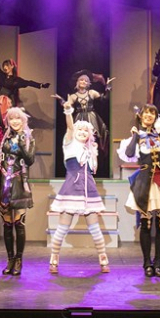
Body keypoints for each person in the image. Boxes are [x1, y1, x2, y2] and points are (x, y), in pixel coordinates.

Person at [118, 79, 160, 277]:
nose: (149, 115)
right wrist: (134, 135)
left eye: (153, 113)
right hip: (145, 184)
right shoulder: (136, 136)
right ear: (141, 116)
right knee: (146, 224)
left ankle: (158, 263)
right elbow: (129, 154)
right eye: (146, 113)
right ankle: (147, 263)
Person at [48, 101, 110, 274]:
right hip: (71, 189)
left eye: (86, 130)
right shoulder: (69, 143)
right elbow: (69, 127)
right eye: (80, 130)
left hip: (88, 190)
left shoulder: (90, 150)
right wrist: (68, 111)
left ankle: (103, 258)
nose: (82, 132)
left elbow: (92, 170)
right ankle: (54, 258)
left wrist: (93, 151)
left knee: (95, 228)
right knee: (62, 227)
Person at [0, 107, 36, 275]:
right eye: (11, 119)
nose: (15, 121)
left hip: (19, 184)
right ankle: (10, 259)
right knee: (6, 224)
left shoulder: (28, 138)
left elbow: (30, 160)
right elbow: (1, 162)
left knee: (19, 224)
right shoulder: (6, 137)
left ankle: (19, 260)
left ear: (23, 120)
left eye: (18, 118)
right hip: (4, 183)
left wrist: (21, 143)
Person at [0, 45, 49, 149]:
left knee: (4, 127)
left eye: (7, 65)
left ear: (12, 66)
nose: (5, 67)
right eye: (4, 65)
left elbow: (28, 82)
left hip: (6, 106)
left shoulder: (16, 80)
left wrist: (41, 85)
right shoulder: (1, 75)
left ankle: (5, 148)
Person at [64, 69, 113, 152]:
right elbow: (68, 108)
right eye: (81, 80)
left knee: (93, 136)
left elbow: (104, 99)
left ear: (88, 83)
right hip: (79, 118)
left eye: (86, 81)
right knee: (78, 136)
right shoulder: (73, 96)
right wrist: (65, 104)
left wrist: (108, 87)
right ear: (77, 82)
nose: (83, 82)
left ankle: (93, 154)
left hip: (92, 117)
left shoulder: (92, 93)